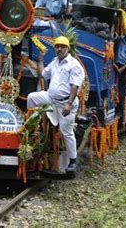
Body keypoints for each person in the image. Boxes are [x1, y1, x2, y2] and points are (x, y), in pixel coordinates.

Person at [27, 36, 85, 173]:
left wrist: (69, 104)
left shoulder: (74, 64)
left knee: (66, 131)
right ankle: (34, 128)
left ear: (67, 48)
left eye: (62, 46)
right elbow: (42, 74)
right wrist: (40, 59)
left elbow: (75, 86)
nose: (59, 49)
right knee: (32, 97)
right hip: (51, 97)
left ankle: (72, 161)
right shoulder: (54, 62)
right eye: (57, 46)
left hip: (66, 101)